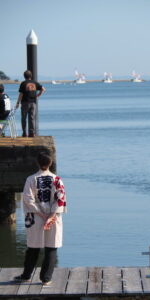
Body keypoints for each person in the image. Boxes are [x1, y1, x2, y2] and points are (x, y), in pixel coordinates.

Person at [14, 152, 66, 285]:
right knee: (51, 247)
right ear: (50, 163)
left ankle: (26, 276)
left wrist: (41, 214)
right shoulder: (57, 179)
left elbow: (28, 199)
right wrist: (51, 215)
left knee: (33, 247)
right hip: (53, 218)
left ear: (38, 163)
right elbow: (60, 200)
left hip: (35, 217)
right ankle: (46, 278)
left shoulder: (31, 179)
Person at [16, 70, 45, 137]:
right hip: (33, 103)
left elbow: (21, 94)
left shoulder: (23, 83)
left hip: (25, 102)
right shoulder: (35, 83)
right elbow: (43, 89)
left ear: (24, 76)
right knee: (32, 118)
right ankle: (32, 133)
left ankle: (24, 132)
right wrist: (38, 96)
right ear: (31, 76)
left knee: (23, 118)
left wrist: (18, 103)